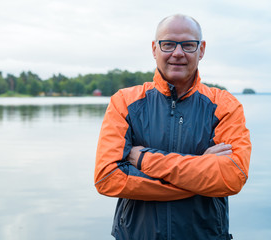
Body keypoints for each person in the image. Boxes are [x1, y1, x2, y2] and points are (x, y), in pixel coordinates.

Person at [94, 14, 251, 240]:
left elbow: (232, 177)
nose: (178, 53)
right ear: (154, 49)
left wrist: (143, 159)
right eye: (168, 44)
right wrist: (200, 175)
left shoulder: (225, 106)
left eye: (188, 45)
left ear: (202, 49)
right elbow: (107, 178)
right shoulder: (124, 102)